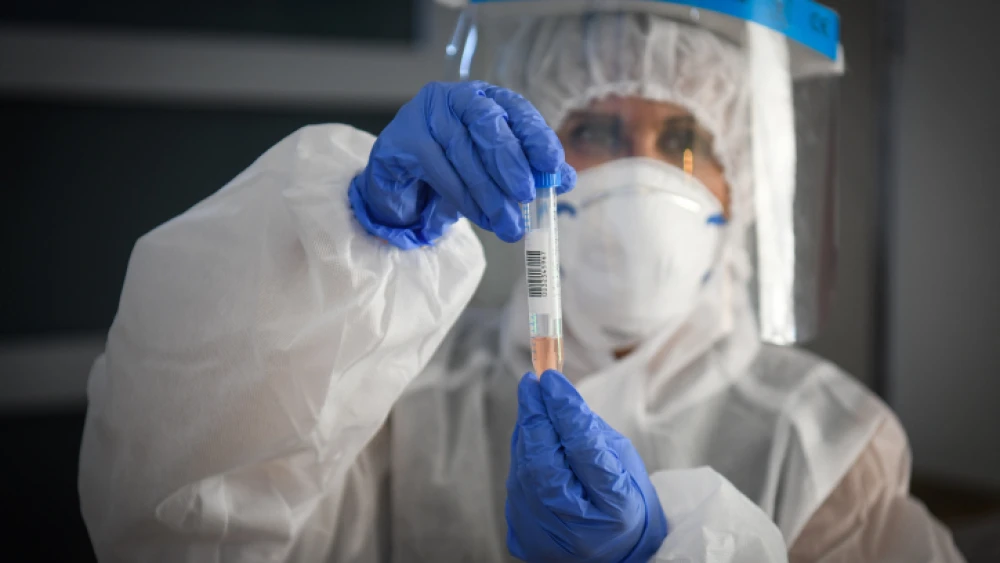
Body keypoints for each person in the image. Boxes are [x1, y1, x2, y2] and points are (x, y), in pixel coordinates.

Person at [78, 6, 965, 563]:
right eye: (596, 127)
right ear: (536, 149)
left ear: (743, 180)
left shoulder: (826, 446)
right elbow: (184, 526)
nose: (645, 173)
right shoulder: (404, 390)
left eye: (686, 139)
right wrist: (345, 239)